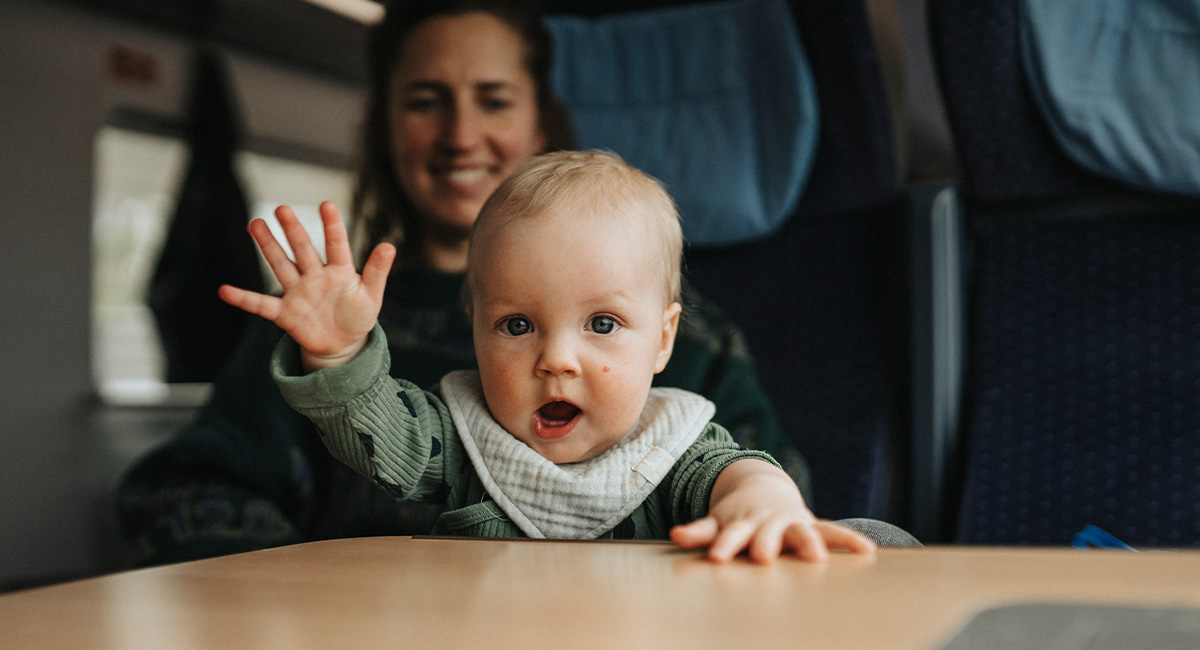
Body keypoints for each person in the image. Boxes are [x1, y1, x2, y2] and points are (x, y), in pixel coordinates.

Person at [115, 0, 811, 566]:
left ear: (540, 118)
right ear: (386, 127)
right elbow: (181, 493)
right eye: (425, 101)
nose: (460, 134)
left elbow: (765, 492)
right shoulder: (327, 331)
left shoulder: (695, 345)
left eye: (494, 99)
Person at [221, 151, 875, 562]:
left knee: (882, 539)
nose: (557, 359)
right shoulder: (461, 443)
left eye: (602, 323)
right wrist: (340, 354)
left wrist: (764, 502)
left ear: (665, 339)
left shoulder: (672, 450)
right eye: (516, 324)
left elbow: (738, 474)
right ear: (472, 329)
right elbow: (383, 435)